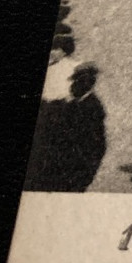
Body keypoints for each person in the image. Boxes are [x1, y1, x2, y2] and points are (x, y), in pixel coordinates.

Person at [23, 62, 107, 193]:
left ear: (86, 85)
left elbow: (96, 148)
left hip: (73, 175)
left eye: (75, 83)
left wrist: (82, 177)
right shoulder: (74, 103)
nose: (71, 86)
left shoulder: (92, 109)